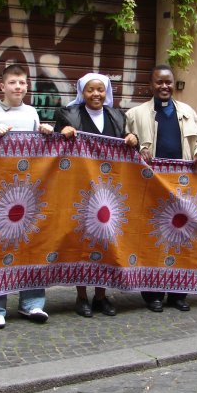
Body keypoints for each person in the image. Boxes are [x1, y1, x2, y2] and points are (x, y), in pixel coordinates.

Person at [54, 73, 139, 318]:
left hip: (110, 190)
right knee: (82, 240)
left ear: (107, 92)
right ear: (82, 92)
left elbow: (127, 142)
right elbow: (54, 146)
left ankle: (101, 296)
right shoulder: (67, 115)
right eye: (90, 90)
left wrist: (133, 139)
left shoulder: (117, 115)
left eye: (100, 90)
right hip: (79, 189)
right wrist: (64, 133)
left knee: (106, 239)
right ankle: (81, 297)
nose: (96, 95)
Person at [0, 64, 54, 328]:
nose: (18, 87)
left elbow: (39, 150)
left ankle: (32, 305)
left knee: (31, 246)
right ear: (2, 86)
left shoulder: (32, 112)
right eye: (13, 83)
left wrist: (44, 132)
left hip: (28, 191)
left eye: (22, 82)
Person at [126, 64, 197, 313]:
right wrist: (139, 150)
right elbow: (125, 145)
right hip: (150, 186)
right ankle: (153, 294)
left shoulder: (187, 112)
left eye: (168, 82)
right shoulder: (135, 114)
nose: (164, 86)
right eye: (159, 82)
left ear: (173, 84)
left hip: (183, 186)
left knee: (181, 237)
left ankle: (178, 293)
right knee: (153, 239)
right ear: (151, 85)